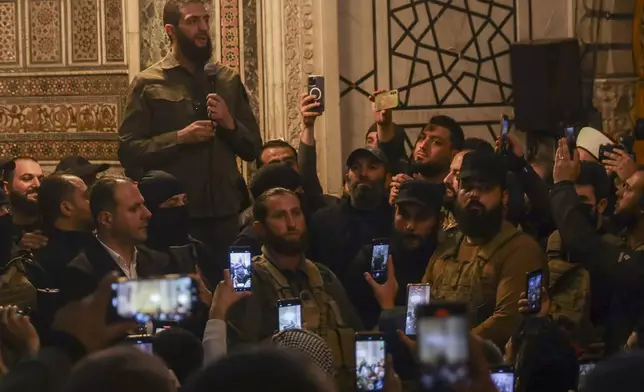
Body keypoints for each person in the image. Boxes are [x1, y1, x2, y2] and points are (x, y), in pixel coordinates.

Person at [118, 0, 261, 275]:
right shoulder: (149, 83)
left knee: (236, 290)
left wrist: (229, 124)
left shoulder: (227, 79)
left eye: (205, 19)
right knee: (186, 298)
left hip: (227, 216)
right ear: (171, 30)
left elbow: (253, 148)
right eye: (193, 21)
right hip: (176, 219)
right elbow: (128, 151)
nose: (204, 28)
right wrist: (179, 137)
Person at [226, 188, 363, 387]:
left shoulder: (323, 275)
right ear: (259, 229)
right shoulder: (253, 281)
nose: (292, 224)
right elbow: (241, 356)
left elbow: (358, 334)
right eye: (280, 216)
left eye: (296, 213)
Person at [423, 150, 547, 348]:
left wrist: (449, 348)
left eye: (485, 188)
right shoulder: (447, 246)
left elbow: (506, 322)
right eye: (468, 187)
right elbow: (423, 302)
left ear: (504, 197)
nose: (474, 195)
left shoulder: (520, 249)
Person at [550, 138, 644, 352]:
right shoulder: (620, 234)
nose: (618, 192)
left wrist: (562, 186)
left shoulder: (638, 264)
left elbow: (585, 244)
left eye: (627, 188)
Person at [344, 180, 444, 329]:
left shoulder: (444, 262)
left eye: (421, 217)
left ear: (437, 220)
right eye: (404, 215)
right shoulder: (372, 259)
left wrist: (389, 308)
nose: (410, 226)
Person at [60, 177, 174, 303]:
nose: (147, 214)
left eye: (143, 205)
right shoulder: (81, 273)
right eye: (134, 209)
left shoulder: (159, 261)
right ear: (106, 219)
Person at [308, 147, 393, 279]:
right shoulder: (324, 221)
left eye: (372, 167)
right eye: (356, 167)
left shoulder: (395, 220)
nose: (363, 173)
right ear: (347, 180)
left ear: (387, 179)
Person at [137, 170, 223, 286]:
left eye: (184, 201)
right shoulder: (137, 256)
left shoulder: (198, 249)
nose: (181, 208)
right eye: (172, 203)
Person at [2, 157, 45, 248]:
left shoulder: (56, 224)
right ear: (6, 187)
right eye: (27, 178)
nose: (37, 185)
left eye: (41, 179)